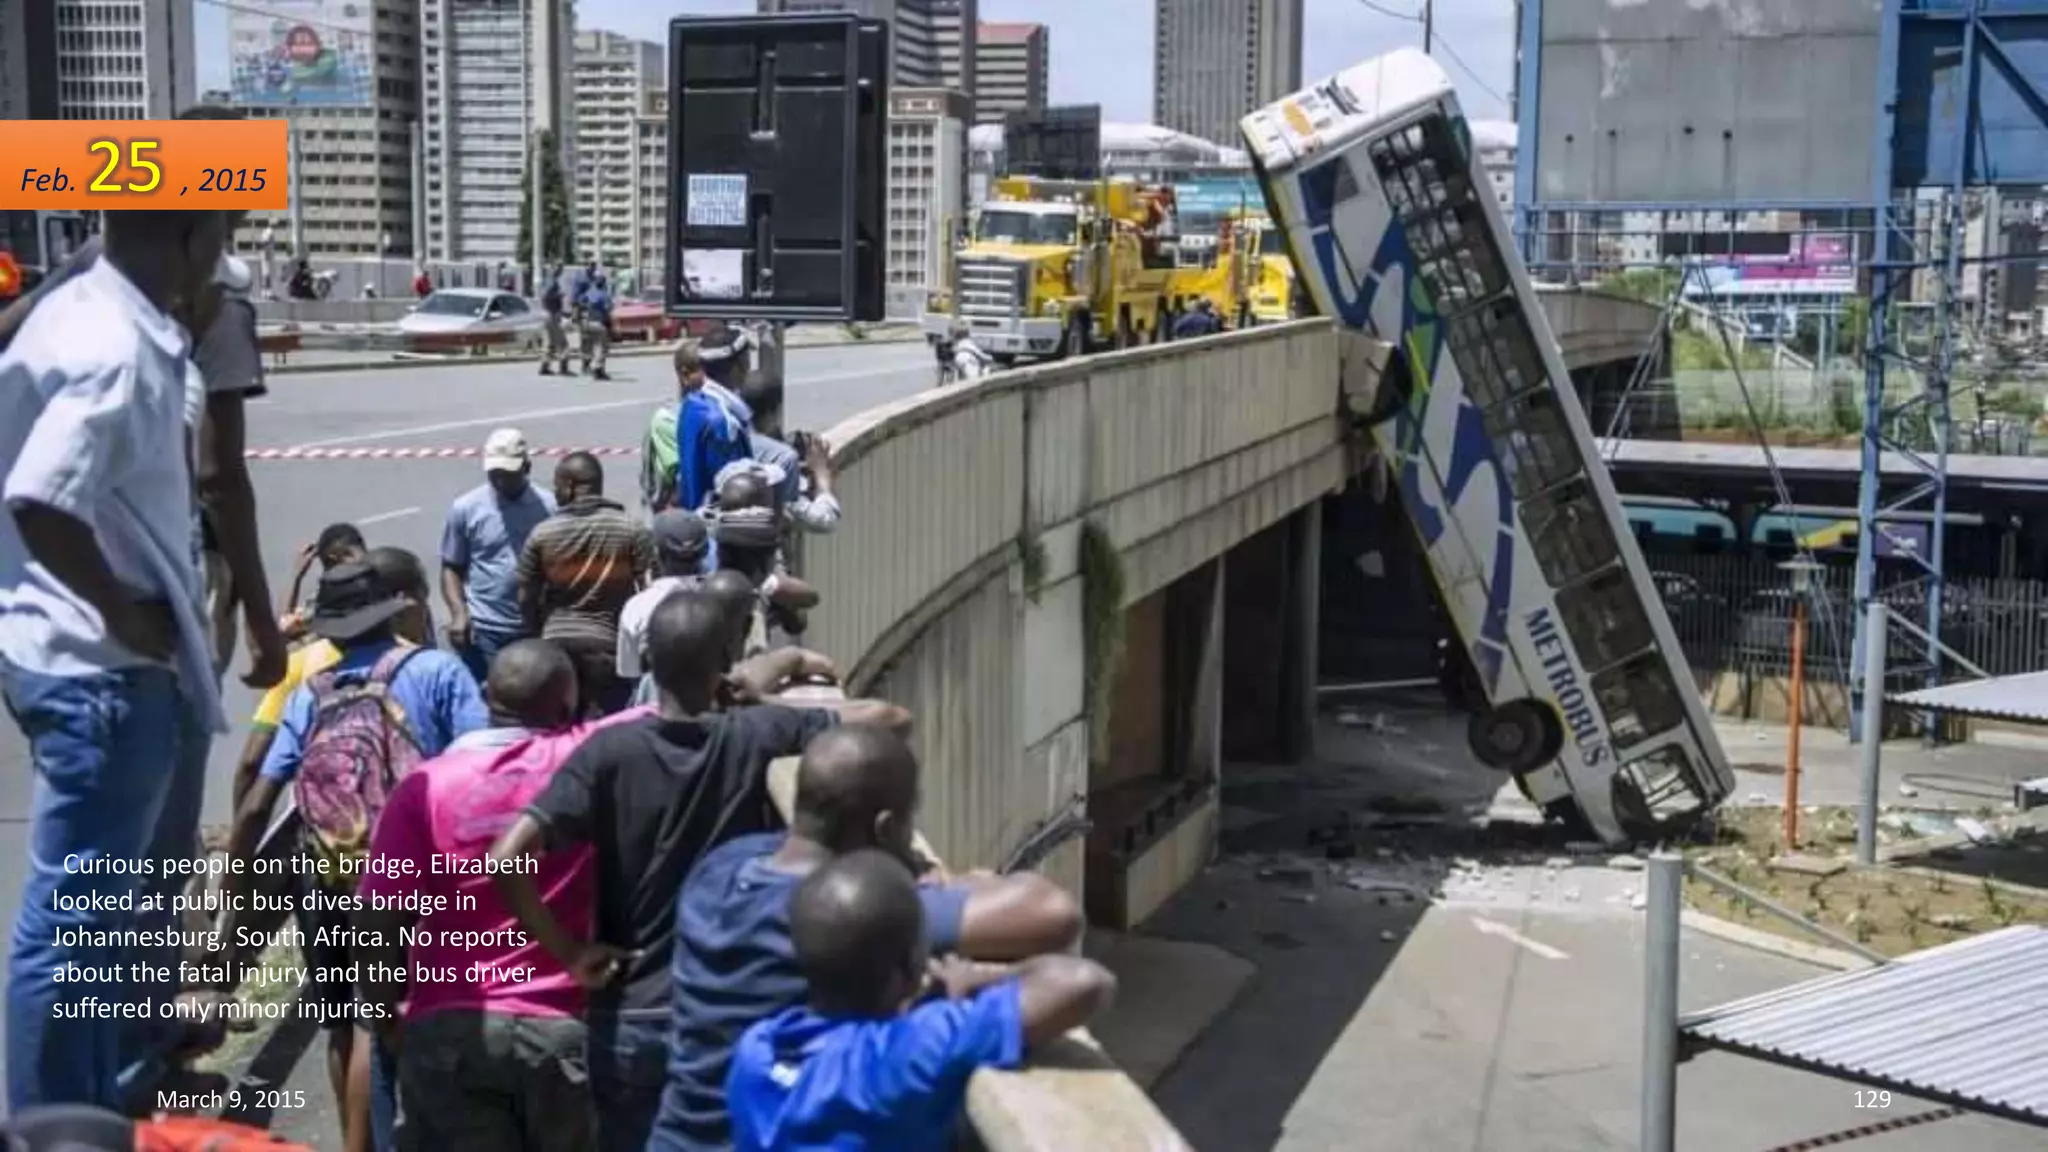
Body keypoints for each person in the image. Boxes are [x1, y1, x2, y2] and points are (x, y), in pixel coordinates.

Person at [486, 593, 911, 1152]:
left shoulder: (608, 751)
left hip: (628, 1013)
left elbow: (504, 858)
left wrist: (566, 952)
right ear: (728, 657)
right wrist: (756, 696)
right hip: (720, 1009)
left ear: (648, 659)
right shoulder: (754, 734)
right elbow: (889, 719)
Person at [0, 195, 234, 1112]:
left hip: (66, 651)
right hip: (98, 666)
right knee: (77, 923)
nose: (223, 258)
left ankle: (108, 1095)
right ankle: (51, 1124)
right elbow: (43, 499)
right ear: (187, 236)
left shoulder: (79, 309)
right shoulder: (115, 349)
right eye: (221, 237)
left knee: (112, 911)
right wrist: (124, 614)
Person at [648, 725, 1084, 1151]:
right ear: (887, 828)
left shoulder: (718, 872)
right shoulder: (842, 915)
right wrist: (935, 887)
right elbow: (1053, 914)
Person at [220, 552, 486, 1152]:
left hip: (327, 883)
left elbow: (261, 799)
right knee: (414, 1017)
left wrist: (236, 890)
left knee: (349, 1025)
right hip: (412, 882)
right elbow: (479, 770)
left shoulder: (311, 691)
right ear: (394, 609)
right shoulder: (437, 673)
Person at [356, 640, 598, 1152]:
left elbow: (378, 917)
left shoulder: (423, 787)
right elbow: (671, 694)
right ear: (567, 704)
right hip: (564, 1025)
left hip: (450, 1026)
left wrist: (386, 1016)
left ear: (486, 695)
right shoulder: (582, 758)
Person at [726, 851, 1116, 1152]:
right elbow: (1086, 983)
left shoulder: (755, 1051)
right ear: (909, 970)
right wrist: (975, 979)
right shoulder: (907, 1053)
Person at [189, 250, 289, 692]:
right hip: (169, 566)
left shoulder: (77, 284)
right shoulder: (216, 294)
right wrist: (260, 616)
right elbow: (219, 478)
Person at [516, 452, 653, 717]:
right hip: (608, 646)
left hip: (555, 646)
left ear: (569, 486)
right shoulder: (631, 529)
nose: (555, 493)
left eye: (557, 486)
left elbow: (525, 595)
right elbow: (648, 588)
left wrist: (537, 630)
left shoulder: (543, 534)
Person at [441, 428, 556, 684]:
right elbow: (451, 567)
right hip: (485, 629)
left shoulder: (549, 507)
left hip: (534, 629)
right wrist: (459, 613)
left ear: (526, 467)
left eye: (509, 474)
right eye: (495, 474)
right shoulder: (466, 509)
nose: (502, 481)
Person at [615, 509, 709, 685]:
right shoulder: (723, 592)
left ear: (656, 553)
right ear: (704, 551)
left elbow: (630, 674)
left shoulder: (637, 607)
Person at [280, 522, 369, 643]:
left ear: (332, 559)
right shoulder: (385, 574)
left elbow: (281, 630)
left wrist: (296, 577)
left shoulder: (325, 601)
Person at [581, 276, 614, 381]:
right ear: (604, 284)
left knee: (589, 346)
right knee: (600, 347)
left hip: (587, 323)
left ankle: (586, 365)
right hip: (599, 324)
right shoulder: (604, 295)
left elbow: (581, 302)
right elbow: (609, 308)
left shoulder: (589, 293)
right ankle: (598, 370)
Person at [539, 270, 571, 376]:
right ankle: (563, 368)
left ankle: (545, 366)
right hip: (553, 317)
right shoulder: (553, 289)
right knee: (563, 344)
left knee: (548, 343)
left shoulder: (545, 286)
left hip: (545, 316)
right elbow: (554, 299)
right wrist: (560, 295)